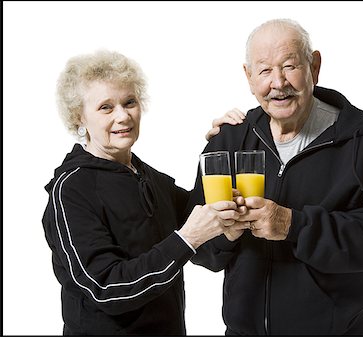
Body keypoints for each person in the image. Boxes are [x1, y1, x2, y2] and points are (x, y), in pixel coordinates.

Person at [189, 18, 363, 335]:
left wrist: (294, 225)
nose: (278, 82)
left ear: (314, 66)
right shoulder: (229, 142)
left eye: (289, 66)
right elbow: (199, 247)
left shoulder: (359, 142)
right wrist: (226, 232)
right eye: (264, 70)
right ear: (249, 78)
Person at [41, 49, 247, 335]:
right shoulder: (72, 189)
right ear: (80, 118)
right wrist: (188, 237)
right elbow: (106, 288)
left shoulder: (149, 178)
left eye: (129, 102)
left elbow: (203, 248)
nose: (123, 116)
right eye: (106, 107)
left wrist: (218, 146)